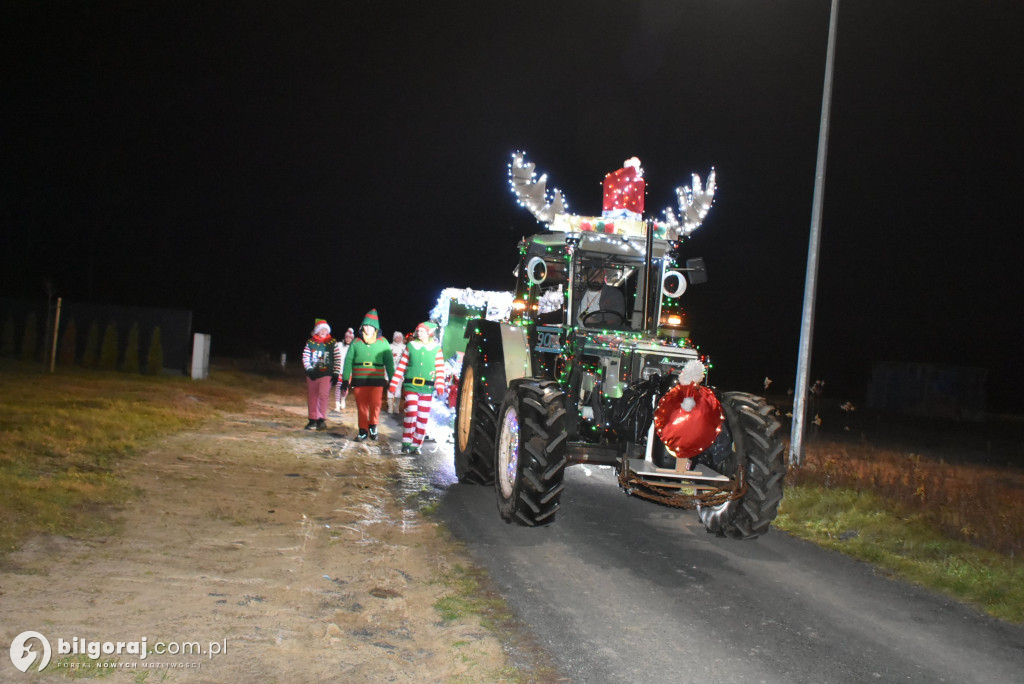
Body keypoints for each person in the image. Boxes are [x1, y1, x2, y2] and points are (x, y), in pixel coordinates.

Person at [387, 321, 445, 454]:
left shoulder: (436, 348)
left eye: (422, 331)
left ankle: (416, 444)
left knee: (422, 417)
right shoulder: (411, 346)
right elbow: (402, 365)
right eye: (418, 331)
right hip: (411, 385)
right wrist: (394, 383)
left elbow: (440, 368)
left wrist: (440, 384)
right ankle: (406, 442)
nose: (419, 333)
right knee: (412, 412)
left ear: (429, 333)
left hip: (427, 387)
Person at [342, 309, 394, 441]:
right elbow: (348, 361)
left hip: (376, 378)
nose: (368, 328)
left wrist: (392, 379)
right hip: (360, 379)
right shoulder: (356, 342)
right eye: (365, 325)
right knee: (362, 405)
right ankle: (363, 430)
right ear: (362, 326)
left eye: (371, 326)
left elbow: (389, 362)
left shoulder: (383, 342)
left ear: (376, 327)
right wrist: (345, 379)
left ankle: (373, 425)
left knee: (376, 404)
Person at [301, 319, 341, 431]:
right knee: (312, 396)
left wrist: (336, 373)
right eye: (321, 329)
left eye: (325, 329)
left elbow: (337, 358)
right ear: (317, 331)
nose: (323, 331)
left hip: (326, 373)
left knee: (323, 395)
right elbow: (305, 357)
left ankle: (321, 419)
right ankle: (312, 419)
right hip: (313, 373)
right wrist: (309, 370)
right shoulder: (310, 343)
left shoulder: (332, 343)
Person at [334, 327, 354, 411]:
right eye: (346, 337)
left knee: (344, 389)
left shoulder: (353, 347)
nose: (348, 339)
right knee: (338, 387)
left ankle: (343, 399)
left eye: (350, 338)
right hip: (339, 370)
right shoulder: (339, 345)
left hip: (348, 372)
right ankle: (337, 405)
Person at [387, 331, 406, 414]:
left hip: (400, 373)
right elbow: (387, 361)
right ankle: (390, 407)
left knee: (398, 389)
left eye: (400, 337)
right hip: (391, 371)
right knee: (390, 388)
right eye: (397, 337)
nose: (398, 339)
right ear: (394, 338)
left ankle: (396, 407)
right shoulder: (389, 347)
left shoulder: (404, 348)